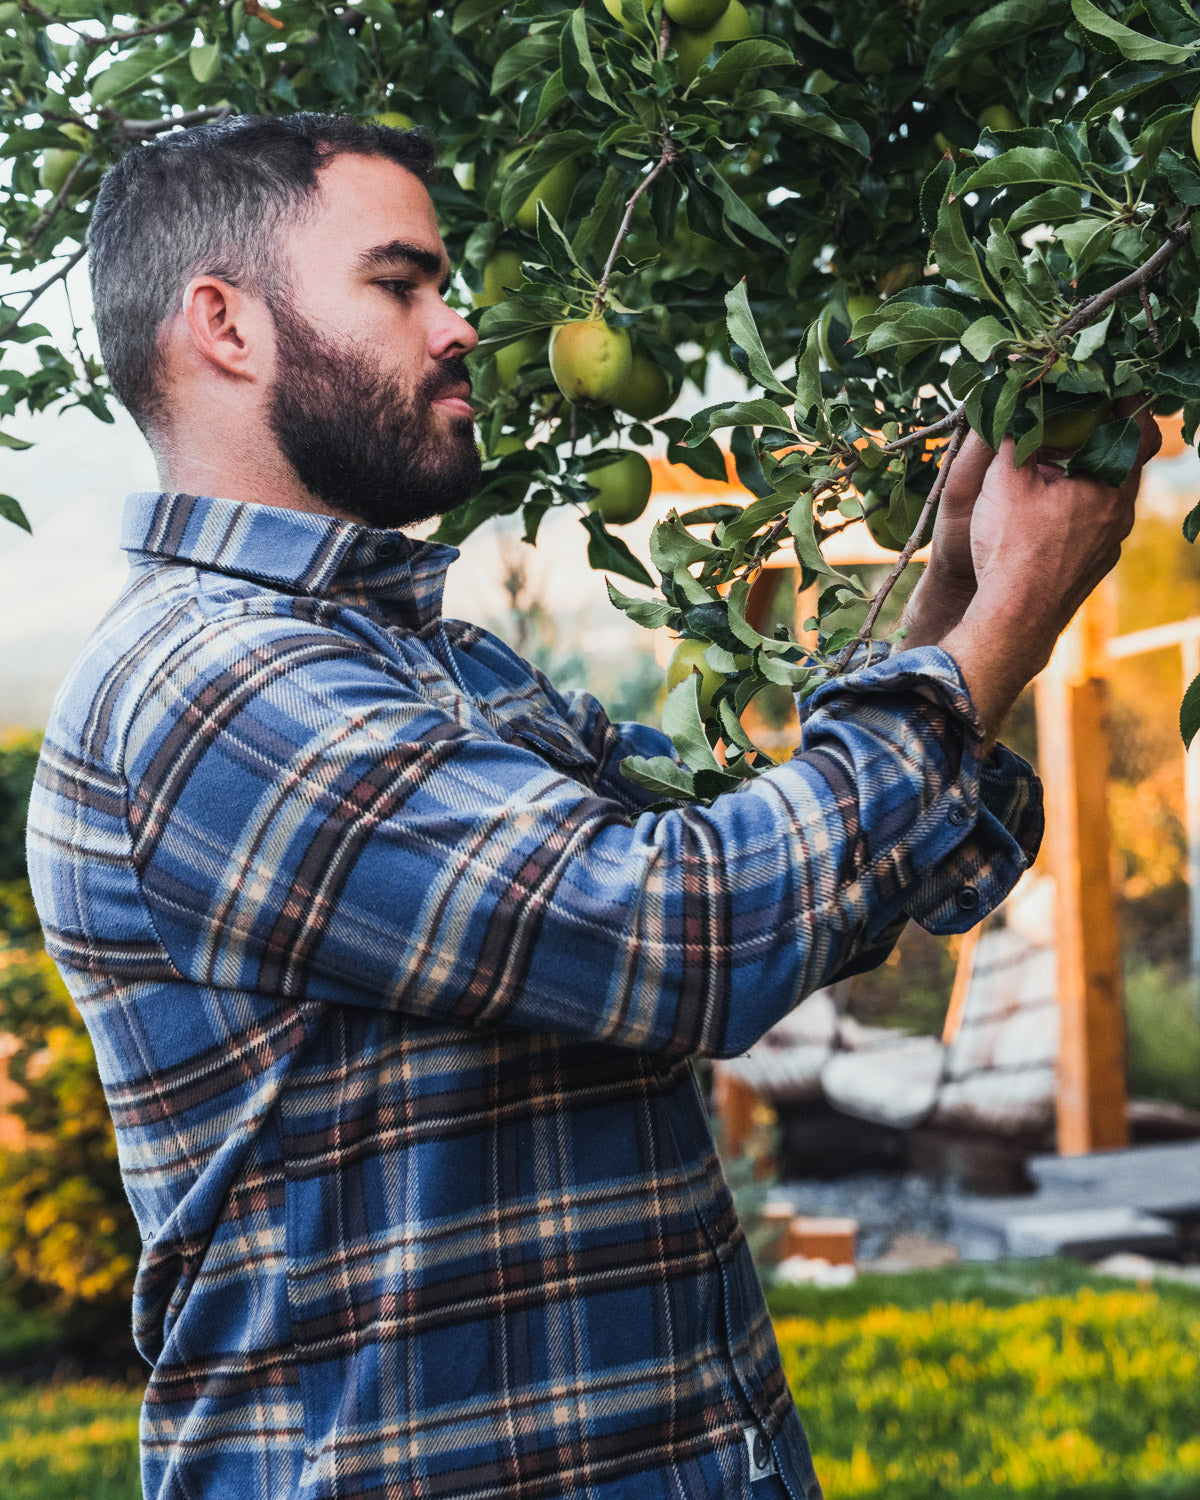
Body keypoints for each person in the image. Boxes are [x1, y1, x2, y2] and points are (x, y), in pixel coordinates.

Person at [24, 112, 1156, 1500]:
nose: (462, 327)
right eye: (401, 284)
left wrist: (951, 608)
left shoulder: (422, 663)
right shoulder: (212, 688)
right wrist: (1004, 640)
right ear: (226, 325)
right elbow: (686, 935)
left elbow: (784, 869)